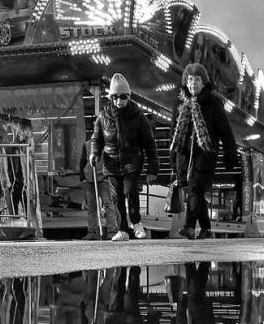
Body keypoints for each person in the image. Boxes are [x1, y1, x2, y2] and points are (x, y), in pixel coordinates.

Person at [169, 63, 239, 239]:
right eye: (190, 79)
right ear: (186, 81)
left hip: (205, 155)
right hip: (184, 155)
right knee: (195, 193)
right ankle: (206, 228)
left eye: (197, 80)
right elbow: (173, 132)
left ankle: (190, 227)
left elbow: (226, 132)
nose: (193, 83)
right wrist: (173, 158)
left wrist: (230, 156)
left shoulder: (214, 103)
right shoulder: (180, 103)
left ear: (204, 82)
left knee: (195, 188)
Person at [90, 73, 159, 240]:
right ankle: (122, 230)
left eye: (123, 97)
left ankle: (137, 224)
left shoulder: (138, 117)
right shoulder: (103, 116)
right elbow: (97, 138)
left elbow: (149, 144)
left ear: (128, 97)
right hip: (111, 162)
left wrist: (153, 168)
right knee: (116, 197)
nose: (119, 101)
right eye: (115, 97)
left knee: (130, 192)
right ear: (111, 97)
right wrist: (94, 152)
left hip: (131, 162)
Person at [79, 136, 117, 240]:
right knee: (91, 206)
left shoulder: (107, 144)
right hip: (90, 178)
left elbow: (112, 160)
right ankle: (92, 232)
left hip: (103, 178)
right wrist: (82, 176)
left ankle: (112, 231)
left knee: (108, 205)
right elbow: (83, 161)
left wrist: (110, 175)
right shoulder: (87, 144)